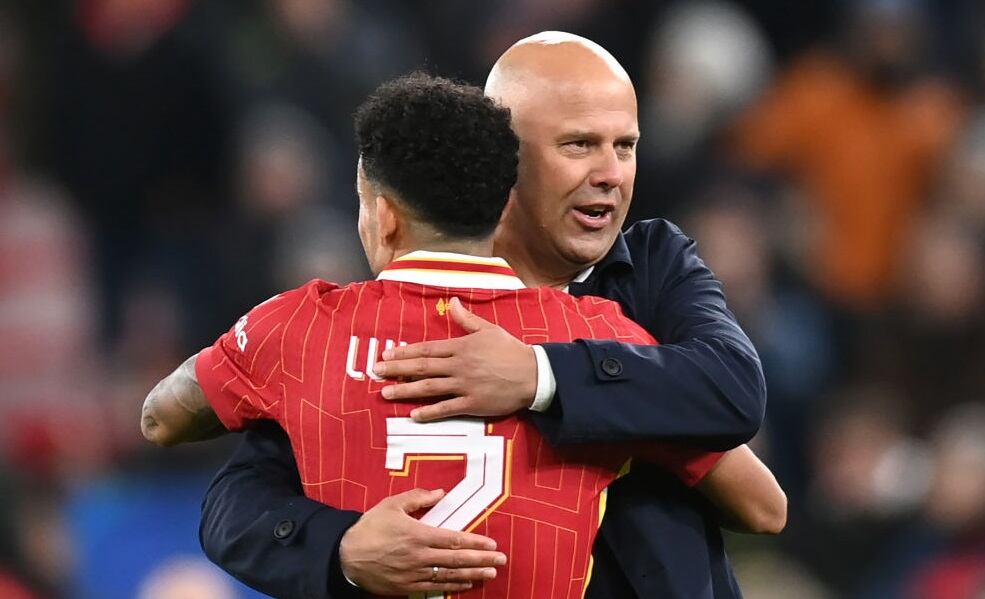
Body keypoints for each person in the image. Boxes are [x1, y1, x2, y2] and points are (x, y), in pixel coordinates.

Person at [198, 33, 770, 598]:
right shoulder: (399, 308)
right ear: (506, 156)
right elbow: (234, 505)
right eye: (578, 145)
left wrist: (541, 377)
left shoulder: (652, 265)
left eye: (625, 146)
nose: (612, 174)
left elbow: (736, 393)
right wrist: (340, 547)